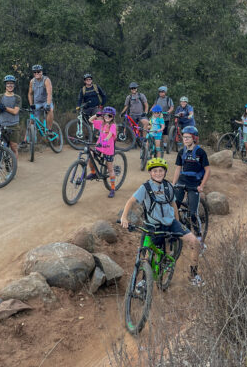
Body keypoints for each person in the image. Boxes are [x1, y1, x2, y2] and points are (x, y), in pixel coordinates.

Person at [120, 157, 203, 286]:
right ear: (150, 173)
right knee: (147, 254)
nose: (158, 173)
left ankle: (193, 275)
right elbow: (131, 201)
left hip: (171, 223)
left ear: (164, 172)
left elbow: (173, 203)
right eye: (155, 171)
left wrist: (177, 220)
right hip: (154, 225)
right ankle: (143, 281)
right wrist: (124, 218)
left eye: (160, 171)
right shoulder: (145, 187)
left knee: (196, 243)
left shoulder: (168, 185)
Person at [172, 125, 210, 284]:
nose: (185, 140)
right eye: (183, 137)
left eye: (188, 137)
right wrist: (173, 185)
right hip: (182, 182)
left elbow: (207, 170)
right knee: (174, 205)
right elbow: (177, 169)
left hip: (195, 184)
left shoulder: (200, 152)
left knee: (193, 213)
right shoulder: (181, 152)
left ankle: (200, 239)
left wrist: (202, 185)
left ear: (194, 138)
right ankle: (176, 230)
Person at [87, 106, 118, 198]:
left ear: (113, 117)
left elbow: (110, 134)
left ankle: (112, 188)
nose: (107, 117)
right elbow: (90, 120)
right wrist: (97, 115)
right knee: (91, 156)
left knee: (110, 169)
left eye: (110, 116)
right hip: (99, 147)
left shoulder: (113, 125)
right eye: (105, 115)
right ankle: (93, 173)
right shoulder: (101, 123)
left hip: (108, 149)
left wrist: (104, 141)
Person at [0, 75, 22, 158]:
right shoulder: (0, 97)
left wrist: (4, 108)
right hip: (1, 125)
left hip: (13, 126)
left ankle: (14, 167)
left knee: (14, 148)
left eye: (12, 83)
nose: (10, 85)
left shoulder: (17, 98)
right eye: (8, 83)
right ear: (5, 85)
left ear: (14, 85)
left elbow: (15, 111)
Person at [28, 64, 54, 130]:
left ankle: (49, 130)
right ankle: (26, 139)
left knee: (50, 110)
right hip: (37, 103)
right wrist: (31, 105)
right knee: (32, 120)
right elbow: (30, 94)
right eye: (35, 72)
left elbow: (49, 93)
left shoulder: (46, 80)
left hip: (46, 102)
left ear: (41, 72)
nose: (37, 73)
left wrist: (48, 104)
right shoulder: (32, 81)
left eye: (38, 71)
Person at [154, 86, 174, 151]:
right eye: (160, 92)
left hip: (165, 117)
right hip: (158, 117)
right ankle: (157, 144)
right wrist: (151, 110)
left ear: (165, 92)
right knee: (156, 129)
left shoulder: (168, 99)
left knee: (165, 132)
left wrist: (169, 111)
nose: (161, 93)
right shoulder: (157, 98)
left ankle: (165, 145)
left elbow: (171, 107)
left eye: (162, 92)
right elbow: (154, 105)